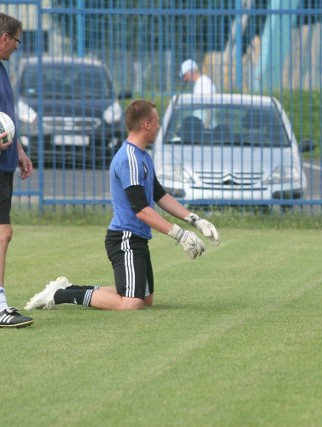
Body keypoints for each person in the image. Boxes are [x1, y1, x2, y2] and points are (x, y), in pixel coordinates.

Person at [25, 99, 221, 311]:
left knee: (145, 300)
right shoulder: (129, 158)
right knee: (131, 303)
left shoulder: (142, 155)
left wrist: (195, 220)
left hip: (137, 239)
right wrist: (180, 235)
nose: (158, 127)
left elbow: (160, 196)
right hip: (125, 239)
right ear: (146, 124)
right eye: (156, 122)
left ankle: (68, 287)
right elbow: (141, 211)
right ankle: (60, 294)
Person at [0, 14, 34, 328]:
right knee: (3, 232)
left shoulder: (2, 70)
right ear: (4, 38)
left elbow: (6, 119)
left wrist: (19, 151)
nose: (16, 48)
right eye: (17, 41)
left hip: (6, 163)